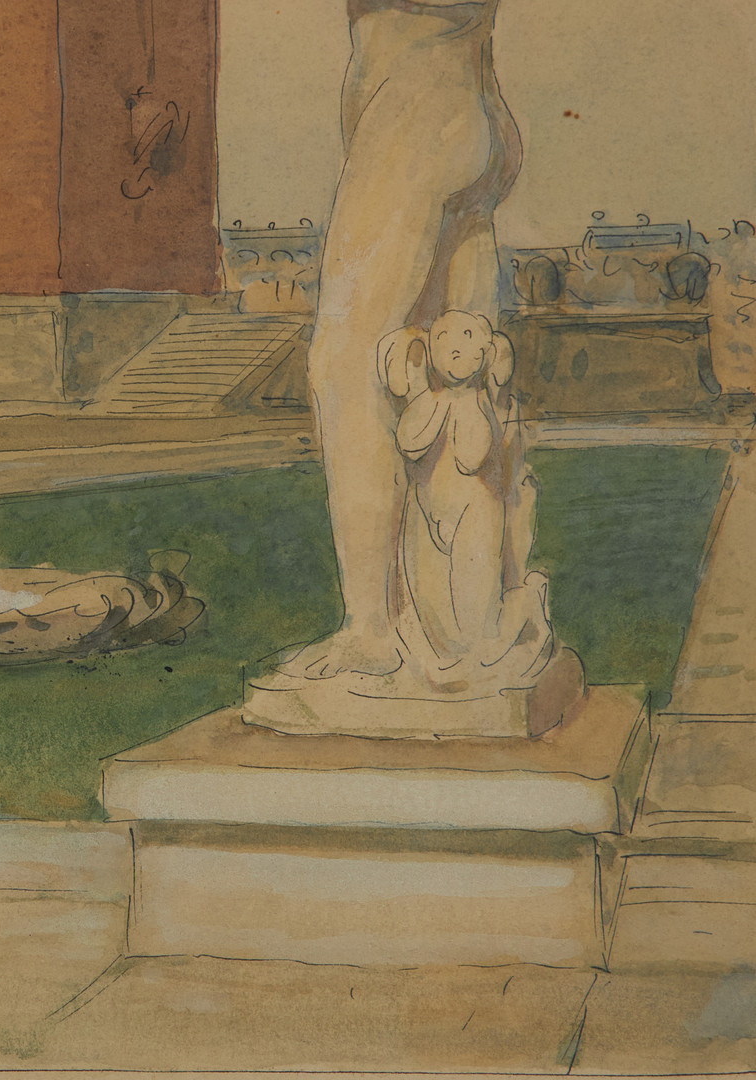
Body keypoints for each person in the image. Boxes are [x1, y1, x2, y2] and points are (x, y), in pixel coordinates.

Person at [279, 0, 523, 680]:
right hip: (466, 89)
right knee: (459, 376)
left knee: (346, 363)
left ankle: (370, 629)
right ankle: (466, 623)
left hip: (412, 104)